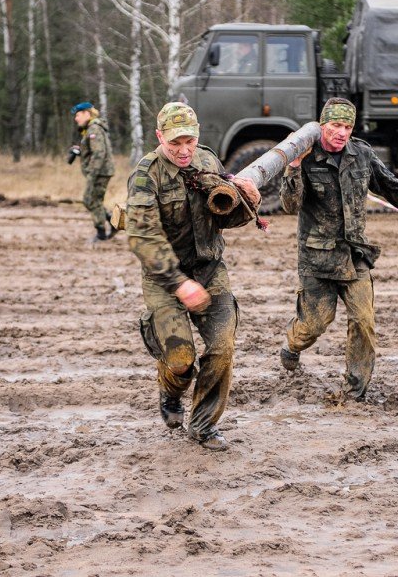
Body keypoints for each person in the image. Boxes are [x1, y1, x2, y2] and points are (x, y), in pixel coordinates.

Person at [279, 97, 398, 401]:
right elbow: (290, 206)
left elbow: (390, 185)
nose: (341, 132)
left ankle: (355, 392)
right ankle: (292, 345)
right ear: (322, 125)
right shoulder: (306, 156)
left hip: (355, 255)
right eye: (335, 125)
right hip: (318, 258)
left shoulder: (361, 154)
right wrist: (295, 167)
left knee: (363, 322)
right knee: (314, 325)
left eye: (347, 126)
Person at [125, 102, 259, 451]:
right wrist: (179, 283)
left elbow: (222, 216)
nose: (184, 151)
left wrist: (248, 204)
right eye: (175, 144)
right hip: (164, 277)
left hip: (210, 268)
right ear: (159, 137)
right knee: (181, 360)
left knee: (222, 348)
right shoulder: (146, 174)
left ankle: (202, 426)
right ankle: (171, 390)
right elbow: (142, 237)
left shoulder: (208, 160)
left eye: (190, 141)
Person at [69, 101, 115, 242]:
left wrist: (92, 175)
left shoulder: (94, 129)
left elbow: (99, 154)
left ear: (87, 114)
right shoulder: (90, 129)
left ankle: (101, 233)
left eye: (78, 115)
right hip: (100, 171)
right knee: (95, 200)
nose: (76, 118)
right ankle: (114, 223)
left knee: (90, 200)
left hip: (99, 172)